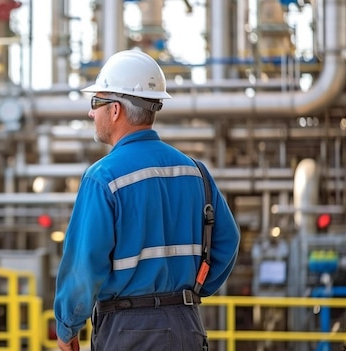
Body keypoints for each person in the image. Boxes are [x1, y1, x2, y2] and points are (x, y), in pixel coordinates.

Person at [53, 49, 240, 351]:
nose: (91, 113)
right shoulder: (196, 172)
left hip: (128, 330)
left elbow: (84, 264)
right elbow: (227, 243)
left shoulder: (103, 178)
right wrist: (189, 293)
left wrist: (67, 327)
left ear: (115, 110)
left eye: (95, 103)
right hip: (186, 327)